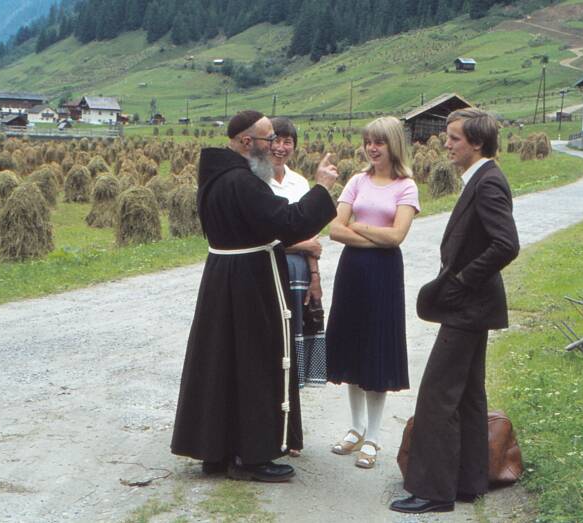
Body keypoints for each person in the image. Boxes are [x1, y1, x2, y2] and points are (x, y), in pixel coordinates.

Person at [171, 110, 338, 483]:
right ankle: (253, 456)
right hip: (250, 279)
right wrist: (322, 188)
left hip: (222, 276)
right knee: (256, 362)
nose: (275, 146)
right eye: (268, 139)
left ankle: (217, 450)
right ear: (247, 142)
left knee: (223, 362)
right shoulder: (243, 183)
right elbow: (290, 224)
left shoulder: (216, 176)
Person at [390, 108, 520, 513]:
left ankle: (433, 492)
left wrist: (463, 281)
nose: (446, 144)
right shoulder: (482, 177)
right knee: (467, 396)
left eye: (454, 138)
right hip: (472, 308)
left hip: (468, 307)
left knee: (438, 396)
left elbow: (506, 244)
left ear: (477, 143)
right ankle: (468, 483)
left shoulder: (488, 181)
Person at [326, 116, 420, 469]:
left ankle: (374, 437)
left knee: (376, 350)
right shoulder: (357, 180)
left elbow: (396, 237)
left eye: (379, 142)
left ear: (393, 144)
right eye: (368, 142)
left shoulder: (406, 186)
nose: (372, 148)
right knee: (353, 346)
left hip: (384, 274)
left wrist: (359, 226)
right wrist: (374, 235)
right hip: (352, 271)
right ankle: (356, 429)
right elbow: (335, 229)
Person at [267, 116, 328, 457]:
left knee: (295, 346)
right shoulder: (256, 181)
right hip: (271, 270)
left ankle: (291, 432)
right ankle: (270, 429)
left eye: (287, 141)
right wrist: (302, 245)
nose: (281, 147)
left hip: (300, 272)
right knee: (273, 348)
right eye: (275, 140)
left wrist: (315, 277)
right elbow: (266, 236)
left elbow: (312, 236)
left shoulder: (300, 183)